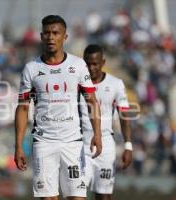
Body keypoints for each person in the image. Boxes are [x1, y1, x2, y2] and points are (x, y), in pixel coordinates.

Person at [14, 15, 102, 200]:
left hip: (73, 142)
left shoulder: (78, 66)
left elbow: (91, 101)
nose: (51, 37)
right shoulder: (31, 68)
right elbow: (22, 108)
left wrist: (97, 134)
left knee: (77, 197)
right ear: (41, 36)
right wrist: (19, 146)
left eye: (55, 33)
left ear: (65, 37)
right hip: (44, 143)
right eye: (47, 33)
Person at [81, 44, 132, 200]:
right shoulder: (76, 84)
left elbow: (124, 117)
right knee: (76, 193)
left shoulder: (116, 84)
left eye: (95, 63)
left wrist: (128, 146)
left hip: (105, 145)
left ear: (103, 63)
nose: (91, 67)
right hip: (79, 145)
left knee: (103, 196)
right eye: (88, 63)